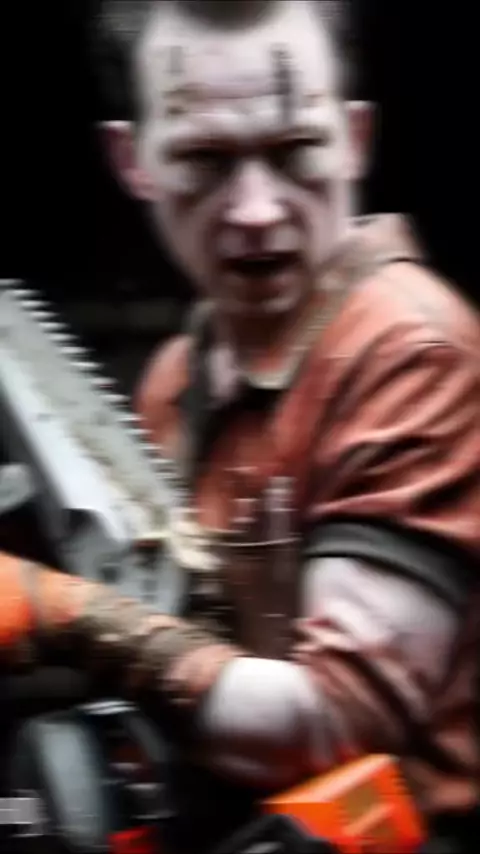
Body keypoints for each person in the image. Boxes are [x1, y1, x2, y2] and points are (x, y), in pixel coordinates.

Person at [1, 0, 479, 831]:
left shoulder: (414, 350)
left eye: (296, 152)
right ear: (132, 160)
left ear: (355, 139)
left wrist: (62, 611)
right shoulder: (181, 374)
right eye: (204, 159)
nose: (256, 210)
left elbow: (332, 726)